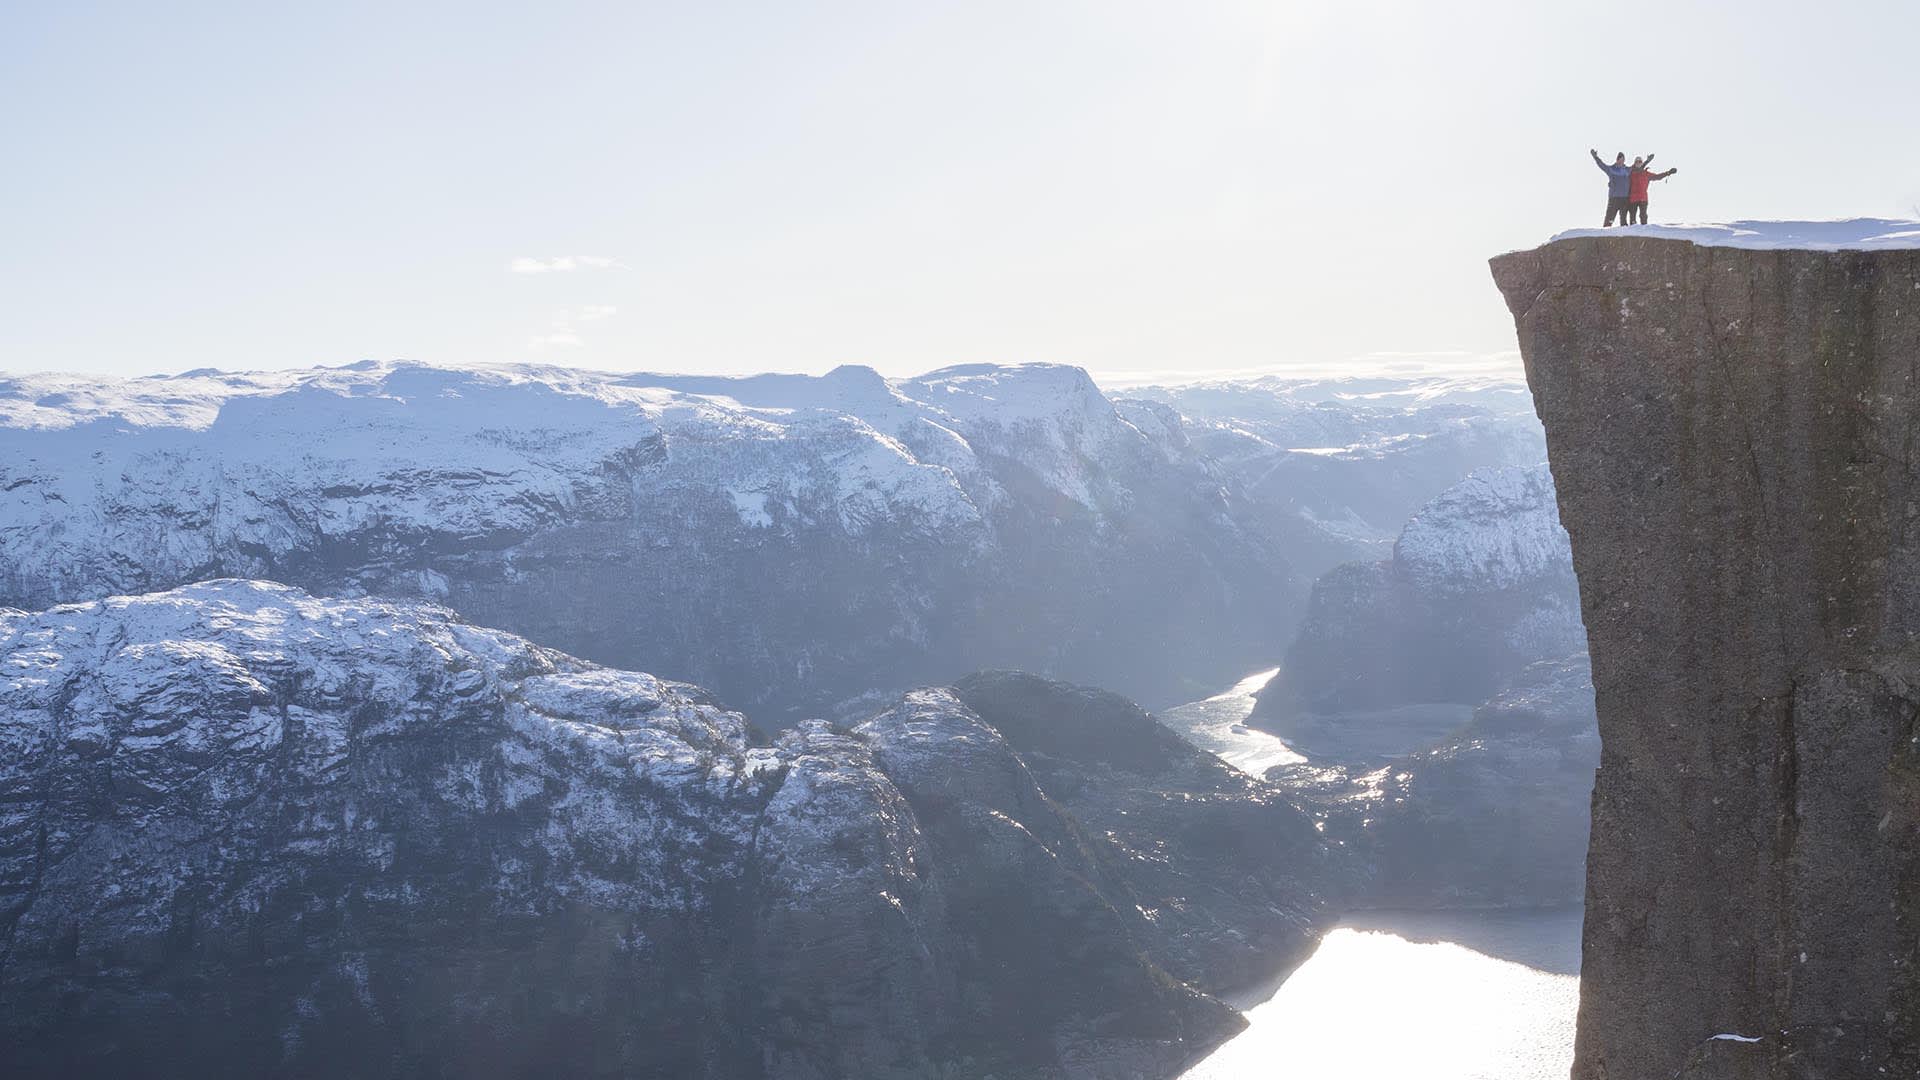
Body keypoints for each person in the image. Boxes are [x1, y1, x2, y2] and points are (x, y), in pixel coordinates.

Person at [1627, 155, 1678, 224]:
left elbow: (1657, 177)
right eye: (1636, 161)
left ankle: (1644, 230)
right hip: (1633, 198)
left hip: (1643, 198)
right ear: (1634, 163)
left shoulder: (1646, 174)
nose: (1638, 163)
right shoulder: (1631, 172)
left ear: (1642, 163)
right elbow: (1623, 178)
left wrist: (1668, 172)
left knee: (1643, 216)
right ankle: (1632, 231)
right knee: (1632, 217)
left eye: (1640, 161)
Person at [1590, 149, 1635, 226]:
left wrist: (1647, 161)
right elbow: (1602, 165)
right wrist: (1595, 157)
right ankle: (1604, 234)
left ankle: (1624, 235)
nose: (1621, 161)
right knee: (1609, 220)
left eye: (1623, 160)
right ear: (1617, 160)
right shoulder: (1611, 169)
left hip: (1624, 198)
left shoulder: (1627, 170)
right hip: (1614, 198)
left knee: (1623, 221)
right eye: (1620, 159)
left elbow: (1638, 167)